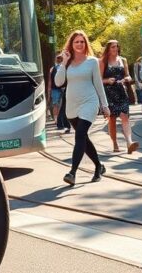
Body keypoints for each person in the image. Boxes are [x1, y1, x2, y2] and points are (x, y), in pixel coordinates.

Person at [54, 30, 110, 185]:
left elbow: (98, 84)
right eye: (76, 42)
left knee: (79, 135)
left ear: (86, 44)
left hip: (89, 102)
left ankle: (72, 173)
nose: (79, 44)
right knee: (83, 137)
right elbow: (58, 82)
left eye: (82, 41)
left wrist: (104, 105)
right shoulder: (66, 62)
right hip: (72, 105)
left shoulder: (92, 62)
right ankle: (99, 166)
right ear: (71, 44)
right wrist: (64, 63)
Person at [100, 40, 139, 154]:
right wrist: (108, 80)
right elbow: (99, 79)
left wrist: (126, 78)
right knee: (112, 119)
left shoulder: (123, 60)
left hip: (122, 91)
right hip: (109, 93)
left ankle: (129, 142)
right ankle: (115, 143)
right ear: (108, 49)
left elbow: (128, 75)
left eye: (116, 47)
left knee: (124, 116)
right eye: (113, 47)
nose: (115, 49)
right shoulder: (103, 61)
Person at [49, 53, 70, 132]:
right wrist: (49, 89)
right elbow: (50, 80)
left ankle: (61, 123)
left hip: (64, 88)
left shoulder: (66, 66)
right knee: (56, 104)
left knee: (63, 106)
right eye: (58, 58)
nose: (59, 59)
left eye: (60, 58)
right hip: (55, 89)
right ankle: (57, 120)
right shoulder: (53, 68)